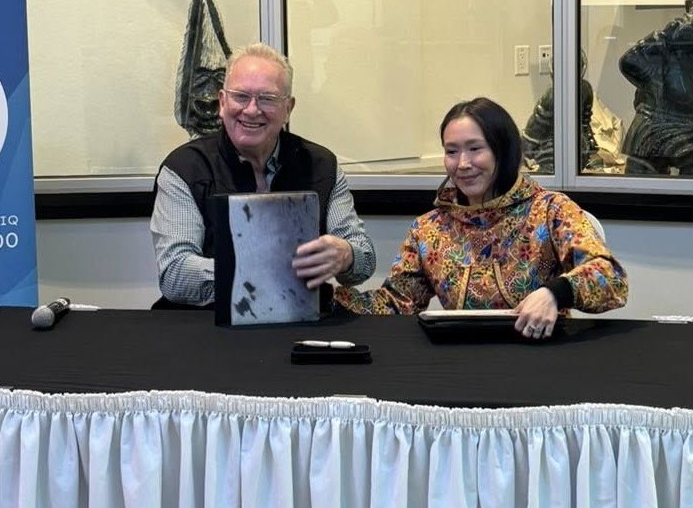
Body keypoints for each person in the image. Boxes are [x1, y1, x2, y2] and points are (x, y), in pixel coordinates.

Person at [334, 97, 628, 339]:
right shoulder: (429, 228)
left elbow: (611, 278)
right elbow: (397, 303)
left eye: (475, 149)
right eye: (452, 151)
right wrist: (326, 298)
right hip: (459, 363)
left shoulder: (550, 209)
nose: (463, 164)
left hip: (542, 353)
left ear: (503, 150)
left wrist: (555, 294)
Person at [150, 42, 376, 309]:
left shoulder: (322, 166)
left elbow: (364, 260)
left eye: (267, 98)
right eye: (240, 96)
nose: (251, 110)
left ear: (288, 108)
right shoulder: (183, 169)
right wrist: (262, 274)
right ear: (222, 102)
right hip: (206, 324)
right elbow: (175, 273)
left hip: (300, 323)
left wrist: (346, 255)